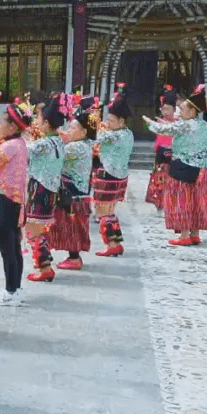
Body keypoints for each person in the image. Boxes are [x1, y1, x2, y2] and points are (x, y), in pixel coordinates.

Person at [144, 84, 207, 246]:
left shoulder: (185, 124)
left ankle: (185, 235)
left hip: (184, 166)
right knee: (197, 200)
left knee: (183, 199)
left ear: (193, 110)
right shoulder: (202, 124)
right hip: (201, 168)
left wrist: (147, 122)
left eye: (183, 109)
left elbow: (162, 129)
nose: (180, 113)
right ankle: (195, 233)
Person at [0, 97, 32, 307]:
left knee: (7, 248)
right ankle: (16, 288)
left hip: (3, 199)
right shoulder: (19, 143)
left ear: (13, 126)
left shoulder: (9, 146)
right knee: (14, 245)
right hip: (14, 200)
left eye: (2, 122)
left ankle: (10, 291)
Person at [49, 96, 98, 271]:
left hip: (74, 194)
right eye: (68, 127)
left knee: (72, 226)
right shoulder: (82, 144)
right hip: (76, 192)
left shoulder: (76, 147)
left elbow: (57, 153)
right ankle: (72, 256)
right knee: (68, 225)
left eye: (73, 128)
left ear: (84, 132)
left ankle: (74, 258)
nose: (69, 131)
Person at [24, 95, 67, 283]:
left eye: (39, 119)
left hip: (39, 189)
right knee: (39, 229)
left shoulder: (43, 143)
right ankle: (45, 264)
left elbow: (25, 151)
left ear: (47, 123)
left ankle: (44, 267)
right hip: (51, 190)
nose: (37, 122)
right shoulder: (58, 141)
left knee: (33, 230)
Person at [92, 85, 135, 257]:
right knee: (109, 211)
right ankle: (115, 242)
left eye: (110, 120)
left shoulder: (113, 135)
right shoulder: (128, 134)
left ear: (121, 122)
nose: (107, 123)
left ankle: (111, 243)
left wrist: (92, 123)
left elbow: (95, 137)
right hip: (121, 176)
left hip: (109, 174)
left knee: (103, 211)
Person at [145, 85, 178, 211]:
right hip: (161, 154)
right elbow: (158, 138)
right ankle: (159, 201)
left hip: (173, 153)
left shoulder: (178, 123)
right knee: (159, 178)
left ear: (174, 110)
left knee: (171, 179)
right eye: (163, 109)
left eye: (168, 109)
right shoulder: (159, 122)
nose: (166, 112)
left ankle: (170, 201)